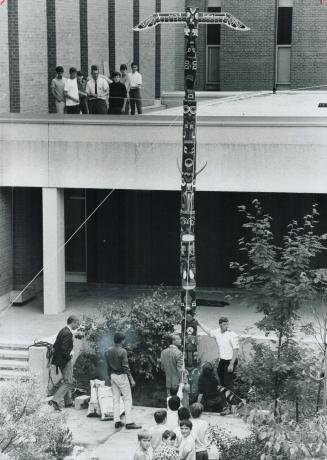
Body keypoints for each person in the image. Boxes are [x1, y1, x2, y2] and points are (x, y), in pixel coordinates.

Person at [196, 316, 239, 414]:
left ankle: (231, 407)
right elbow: (209, 331)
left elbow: (236, 350)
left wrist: (231, 364)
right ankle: (226, 407)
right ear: (220, 324)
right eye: (224, 324)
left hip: (230, 361)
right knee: (222, 385)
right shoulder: (217, 332)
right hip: (222, 361)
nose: (226, 326)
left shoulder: (232, 334)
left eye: (227, 324)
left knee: (228, 384)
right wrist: (199, 323)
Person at [105, 332, 141, 429]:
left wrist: (109, 376)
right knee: (127, 398)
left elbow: (108, 366)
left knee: (116, 399)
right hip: (121, 376)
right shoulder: (123, 351)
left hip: (112, 375)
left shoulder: (108, 351)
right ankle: (129, 422)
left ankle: (117, 421)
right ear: (122, 340)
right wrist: (131, 379)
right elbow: (126, 367)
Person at [49, 315, 80, 411]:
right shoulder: (68, 333)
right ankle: (55, 401)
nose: (78, 326)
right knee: (69, 382)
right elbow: (64, 349)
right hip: (64, 361)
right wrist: (69, 357)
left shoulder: (63, 330)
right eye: (78, 323)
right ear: (73, 322)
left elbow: (55, 345)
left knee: (67, 380)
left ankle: (68, 402)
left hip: (59, 360)